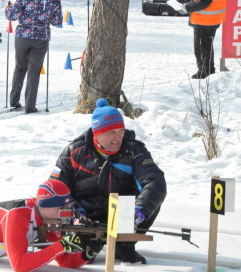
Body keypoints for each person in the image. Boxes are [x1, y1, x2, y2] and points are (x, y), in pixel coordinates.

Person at [50, 98, 167, 264]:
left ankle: (123, 246)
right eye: (111, 132)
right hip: (84, 217)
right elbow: (54, 188)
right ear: (96, 133)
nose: (117, 137)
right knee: (82, 259)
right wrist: (75, 215)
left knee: (152, 201)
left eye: (120, 130)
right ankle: (83, 240)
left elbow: (155, 182)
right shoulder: (74, 151)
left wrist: (136, 214)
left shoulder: (135, 150)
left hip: (121, 216)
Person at [5, 0, 63, 114]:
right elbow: (57, 21)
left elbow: (13, 16)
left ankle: (14, 100)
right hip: (41, 37)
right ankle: (30, 106)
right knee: (34, 72)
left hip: (23, 36)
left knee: (20, 67)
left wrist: (8, 8)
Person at [182, 0, 227, 79]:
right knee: (206, 47)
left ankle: (204, 73)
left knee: (201, 49)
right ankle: (208, 70)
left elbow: (203, 3)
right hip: (211, 20)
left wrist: (185, 7)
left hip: (205, 22)